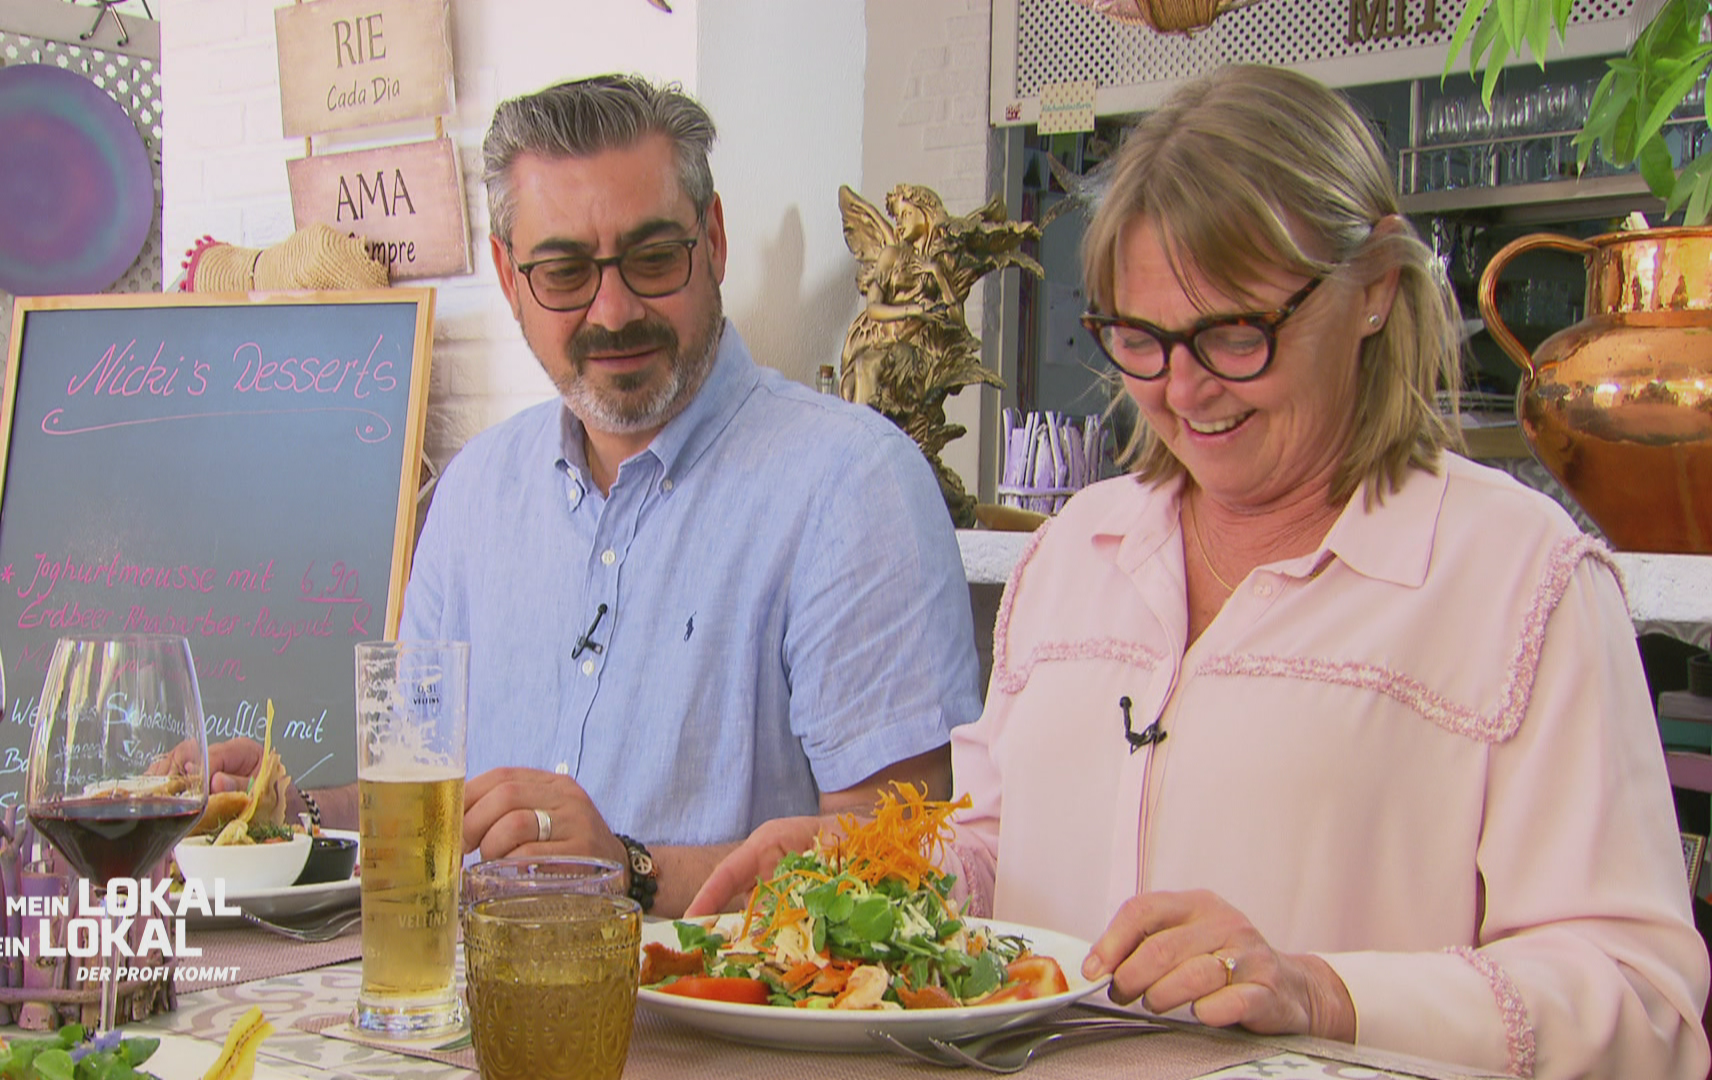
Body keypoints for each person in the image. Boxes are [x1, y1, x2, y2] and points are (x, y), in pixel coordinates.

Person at [694, 64, 1709, 1078]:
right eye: (1140, 339)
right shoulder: (1075, 552)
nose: (1182, 389)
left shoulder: (1520, 578)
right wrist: (870, 873)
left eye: (1235, 333)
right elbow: (1004, 861)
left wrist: (1325, 992)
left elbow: (1643, 1004)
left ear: (1374, 290)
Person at [199, 74, 982, 917]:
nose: (613, 311)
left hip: (708, 1004)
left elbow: (903, 865)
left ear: (715, 241)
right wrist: (290, 815)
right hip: (471, 993)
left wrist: (631, 870)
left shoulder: (855, 485)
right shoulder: (471, 494)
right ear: (509, 279)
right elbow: (420, 801)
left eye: (653, 258)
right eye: (565, 271)